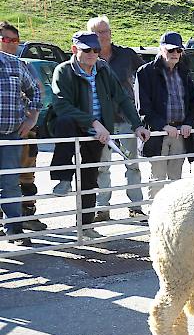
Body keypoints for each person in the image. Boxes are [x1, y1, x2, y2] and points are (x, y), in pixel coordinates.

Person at [49, 31, 149, 238]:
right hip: (77, 125)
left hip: (99, 132)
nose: (92, 54)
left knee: (90, 178)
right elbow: (61, 104)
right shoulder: (63, 71)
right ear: (74, 49)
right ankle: (63, 177)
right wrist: (92, 122)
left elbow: (122, 98)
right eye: (87, 50)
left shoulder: (103, 69)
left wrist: (137, 125)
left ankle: (85, 226)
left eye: (96, 50)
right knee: (64, 123)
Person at [87, 16, 146, 222]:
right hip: (102, 121)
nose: (102, 36)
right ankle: (102, 208)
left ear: (111, 33)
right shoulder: (89, 57)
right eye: (96, 33)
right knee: (102, 166)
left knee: (133, 164)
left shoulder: (127, 55)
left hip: (126, 118)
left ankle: (136, 207)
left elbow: (146, 73)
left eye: (105, 31)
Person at [134, 31, 194, 200]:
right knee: (157, 178)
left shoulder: (184, 72)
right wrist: (163, 126)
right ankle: (155, 217)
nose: (175, 54)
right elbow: (143, 107)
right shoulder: (145, 72)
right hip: (158, 134)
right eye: (171, 50)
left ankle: (175, 217)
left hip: (180, 133)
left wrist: (189, 124)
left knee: (176, 179)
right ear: (161, 49)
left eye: (179, 50)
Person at [0, 21, 47, 232]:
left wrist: (32, 118)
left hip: (11, 135)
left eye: (15, 40)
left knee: (11, 183)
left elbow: (36, 92)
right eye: (6, 39)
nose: (11, 44)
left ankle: (15, 229)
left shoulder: (16, 64)